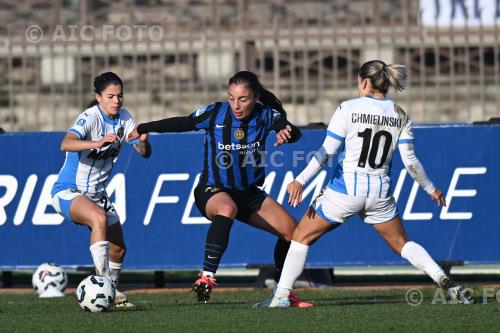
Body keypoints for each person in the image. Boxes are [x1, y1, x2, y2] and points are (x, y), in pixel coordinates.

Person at [254, 60, 474, 307]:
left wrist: (300, 180)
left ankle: (281, 296)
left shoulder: (348, 108)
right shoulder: (400, 115)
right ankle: (443, 279)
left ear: (364, 82)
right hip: (380, 192)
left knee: (300, 238)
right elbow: (411, 162)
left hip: (345, 190)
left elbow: (326, 152)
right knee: (402, 243)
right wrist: (431, 189)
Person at [127, 71, 312, 307]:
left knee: (293, 234)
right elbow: (184, 122)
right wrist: (145, 127)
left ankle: (281, 294)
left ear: (255, 97)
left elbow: (291, 131)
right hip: (212, 189)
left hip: (248, 193)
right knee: (226, 207)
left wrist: (287, 132)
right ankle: (207, 277)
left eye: (243, 99)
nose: (236, 105)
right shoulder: (215, 112)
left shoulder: (265, 114)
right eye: (231, 97)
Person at [51, 72, 151, 307]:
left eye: (120, 96)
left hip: (98, 195)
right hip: (69, 191)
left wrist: (143, 141)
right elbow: (65, 143)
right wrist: (96, 143)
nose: (116, 101)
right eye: (110, 96)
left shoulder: (125, 118)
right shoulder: (90, 117)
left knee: (118, 251)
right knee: (99, 218)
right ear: (98, 97)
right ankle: (105, 286)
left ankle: (112, 294)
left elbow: (144, 153)